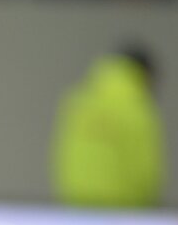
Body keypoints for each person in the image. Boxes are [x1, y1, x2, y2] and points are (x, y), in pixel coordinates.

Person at [52, 44, 164, 208]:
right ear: (145, 73)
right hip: (124, 210)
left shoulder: (79, 101)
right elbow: (145, 169)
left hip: (76, 206)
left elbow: (62, 153)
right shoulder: (137, 106)